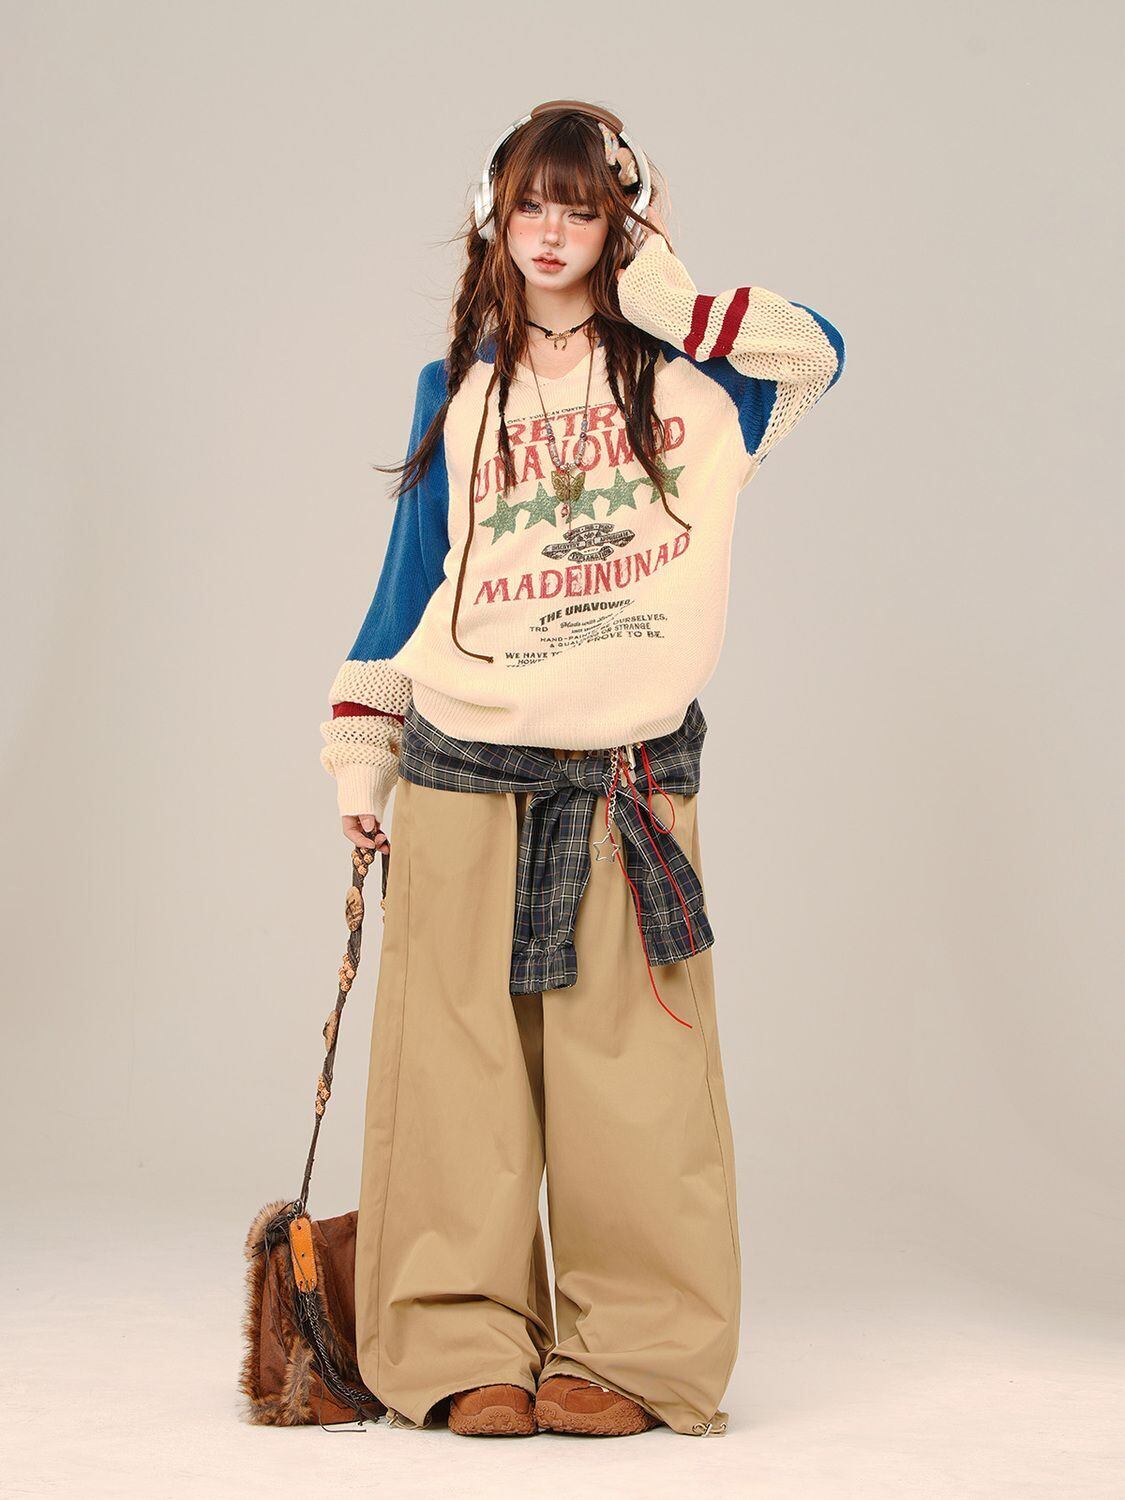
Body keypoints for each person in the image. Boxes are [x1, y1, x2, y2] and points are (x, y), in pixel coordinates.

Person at [319, 99, 845, 1439]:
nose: (549, 233)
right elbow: (408, 584)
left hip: (626, 777)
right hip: (460, 764)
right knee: (452, 1076)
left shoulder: (702, 385)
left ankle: (635, 1352)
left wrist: (663, 295)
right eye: (527, 206)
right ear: (492, 220)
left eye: (581, 206)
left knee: (638, 1079)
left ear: (626, 221)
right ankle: (456, 1344)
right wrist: (360, 758)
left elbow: (819, 350)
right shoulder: (459, 387)